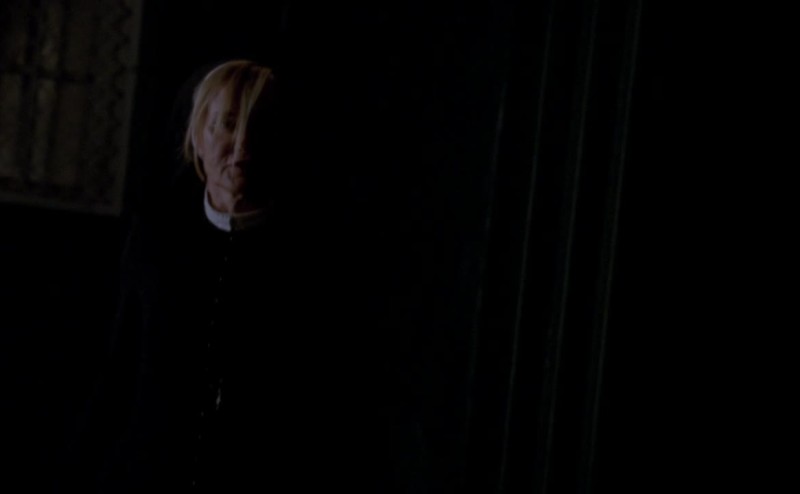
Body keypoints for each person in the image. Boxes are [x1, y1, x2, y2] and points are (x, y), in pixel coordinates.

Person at [61, 59, 429, 493]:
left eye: (260, 127)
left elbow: (338, 400)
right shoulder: (155, 243)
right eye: (227, 125)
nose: (242, 145)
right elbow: (119, 372)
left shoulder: (312, 260)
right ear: (198, 136)